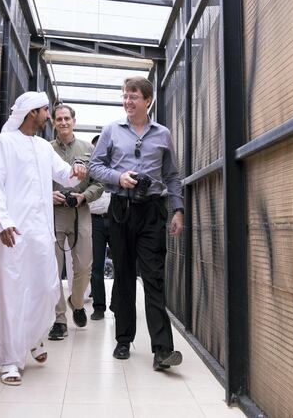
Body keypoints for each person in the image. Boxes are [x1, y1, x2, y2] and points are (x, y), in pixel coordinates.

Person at [0, 91, 88, 386]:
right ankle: (11, 360)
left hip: (41, 234)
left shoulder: (43, 147)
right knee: (13, 293)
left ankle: (32, 339)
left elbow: (66, 175)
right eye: (46, 111)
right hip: (13, 234)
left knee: (46, 288)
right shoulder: (3, 143)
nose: (49, 117)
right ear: (32, 113)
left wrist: (77, 171)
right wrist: (3, 223)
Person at [89, 76, 185, 371]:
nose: (128, 101)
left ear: (148, 101)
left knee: (154, 278)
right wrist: (119, 178)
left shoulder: (163, 134)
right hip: (120, 209)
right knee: (124, 275)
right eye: (125, 96)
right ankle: (123, 339)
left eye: (134, 96)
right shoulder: (111, 131)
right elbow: (94, 166)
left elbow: (172, 176)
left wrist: (178, 209)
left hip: (153, 210)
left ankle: (162, 350)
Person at [48, 105, 104, 340]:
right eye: (58, 119)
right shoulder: (45, 149)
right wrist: (47, 194)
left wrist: (84, 196)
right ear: (53, 121)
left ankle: (77, 302)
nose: (63, 122)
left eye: (66, 118)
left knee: (83, 266)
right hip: (53, 213)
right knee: (52, 268)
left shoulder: (88, 148)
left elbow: (99, 184)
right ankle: (59, 319)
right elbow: (35, 179)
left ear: (74, 120)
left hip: (81, 211)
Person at [88, 134, 112, 321]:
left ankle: (117, 304)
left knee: (121, 264)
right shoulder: (89, 169)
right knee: (96, 266)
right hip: (94, 221)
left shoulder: (117, 167)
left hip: (116, 220)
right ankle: (99, 307)